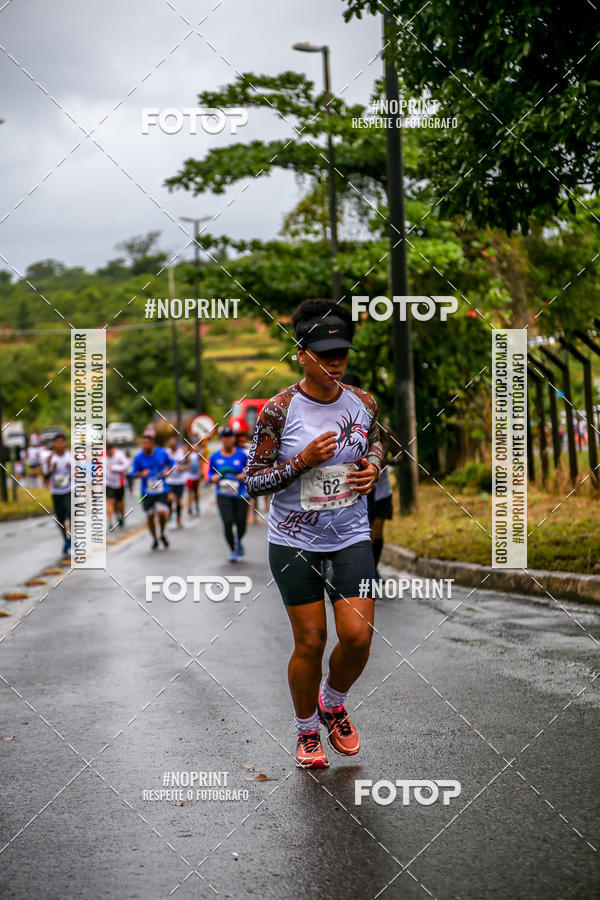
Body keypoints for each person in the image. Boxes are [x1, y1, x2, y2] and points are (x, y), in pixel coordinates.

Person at [245, 299, 382, 769]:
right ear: (301, 354)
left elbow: (380, 442)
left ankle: (333, 702)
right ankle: (307, 730)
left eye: (341, 352)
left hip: (350, 535)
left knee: (358, 636)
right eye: (324, 354)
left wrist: (374, 467)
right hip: (293, 541)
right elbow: (253, 481)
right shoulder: (279, 410)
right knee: (310, 642)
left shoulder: (362, 402)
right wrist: (301, 462)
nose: (335, 362)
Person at [209, 427, 249, 563]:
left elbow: (250, 471)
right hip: (223, 493)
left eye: (230, 436)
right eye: (224, 436)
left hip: (241, 494)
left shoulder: (242, 455)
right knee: (227, 522)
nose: (227, 439)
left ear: (233, 438)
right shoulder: (215, 457)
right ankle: (233, 549)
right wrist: (212, 478)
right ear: (221, 439)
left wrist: (244, 475)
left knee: (241, 524)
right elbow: (209, 474)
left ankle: (238, 540)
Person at [129, 432, 175, 550]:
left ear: (152, 444)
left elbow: (172, 464)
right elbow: (133, 473)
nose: (144, 447)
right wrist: (140, 473)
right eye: (142, 444)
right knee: (150, 517)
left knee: (161, 513)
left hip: (161, 489)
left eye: (147, 444)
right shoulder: (138, 457)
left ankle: (162, 533)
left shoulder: (162, 453)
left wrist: (168, 471)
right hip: (147, 491)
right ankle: (155, 538)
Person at [46, 432, 72, 557]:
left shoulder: (70, 456)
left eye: (62, 441)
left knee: (71, 515)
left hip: (69, 490)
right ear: (54, 444)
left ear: (65, 443)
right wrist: (52, 469)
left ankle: (73, 539)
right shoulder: (50, 458)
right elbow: (44, 475)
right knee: (60, 520)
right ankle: (66, 540)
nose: (59, 444)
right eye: (57, 442)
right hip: (56, 492)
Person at [165, 435, 189, 528]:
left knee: (178, 501)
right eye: (170, 446)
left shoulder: (182, 451)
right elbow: (163, 464)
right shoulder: (167, 453)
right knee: (170, 498)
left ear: (176, 445)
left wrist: (183, 468)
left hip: (180, 480)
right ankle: (170, 511)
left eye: (173, 446)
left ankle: (178, 519)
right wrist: (166, 470)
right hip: (170, 480)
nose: (171, 448)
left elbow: (189, 464)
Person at [105, 442, 129, 530]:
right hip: (108, 483)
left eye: (111, 451)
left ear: (113, 449)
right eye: (107, 451)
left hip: (119, 483)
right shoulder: (103, 456)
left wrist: (115, 468)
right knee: (110, 502)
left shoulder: (119, 455)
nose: (109, 453)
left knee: (119, 503)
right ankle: (110, 521)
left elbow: (126, 465)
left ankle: (120, 516)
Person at [185, 441, 201, 516]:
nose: (195, 447)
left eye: (196, 446)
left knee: (196, 493)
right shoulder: (189, 455)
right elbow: (187, 463)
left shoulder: (198, 455)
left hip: (196, 476)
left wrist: (201, 473)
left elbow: (200, 464)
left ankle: (197, 506)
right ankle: (190, 506)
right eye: (193, 446)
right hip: (190, 476)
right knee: (190, 493)